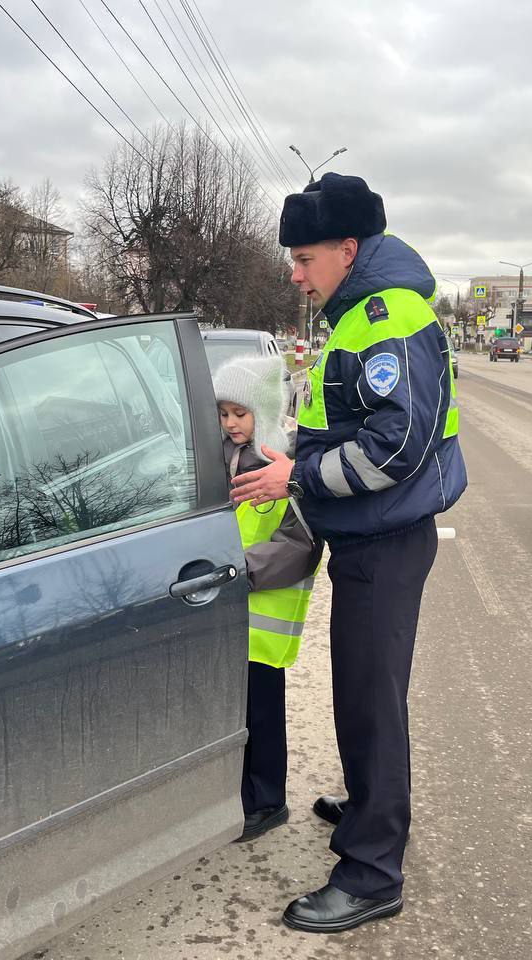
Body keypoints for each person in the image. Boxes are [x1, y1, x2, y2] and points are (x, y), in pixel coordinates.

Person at [230, 173, 467, 933]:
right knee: (359, 691)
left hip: (388, 536)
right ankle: (369, 806)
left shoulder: (388, 317)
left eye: (303, 258)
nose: (295, 273)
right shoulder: (357, 313)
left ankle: (372, 871)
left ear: (348, 248)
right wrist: (289, 455)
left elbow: (396, 445)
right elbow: (347, 420)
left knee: (371, 700)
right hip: (370, 534)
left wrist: (294, 474)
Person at [212, 353, 322, 843]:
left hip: (262, 612)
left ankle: (268, 799)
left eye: (241, 413)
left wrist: (244, 572)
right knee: (237, 710)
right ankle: (242, 792)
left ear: (265, 410)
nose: (231, 423)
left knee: (262, 713)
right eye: (223, 413)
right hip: (230, 608)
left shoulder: (280, 466)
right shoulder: (220, 457)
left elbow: (301, 543)